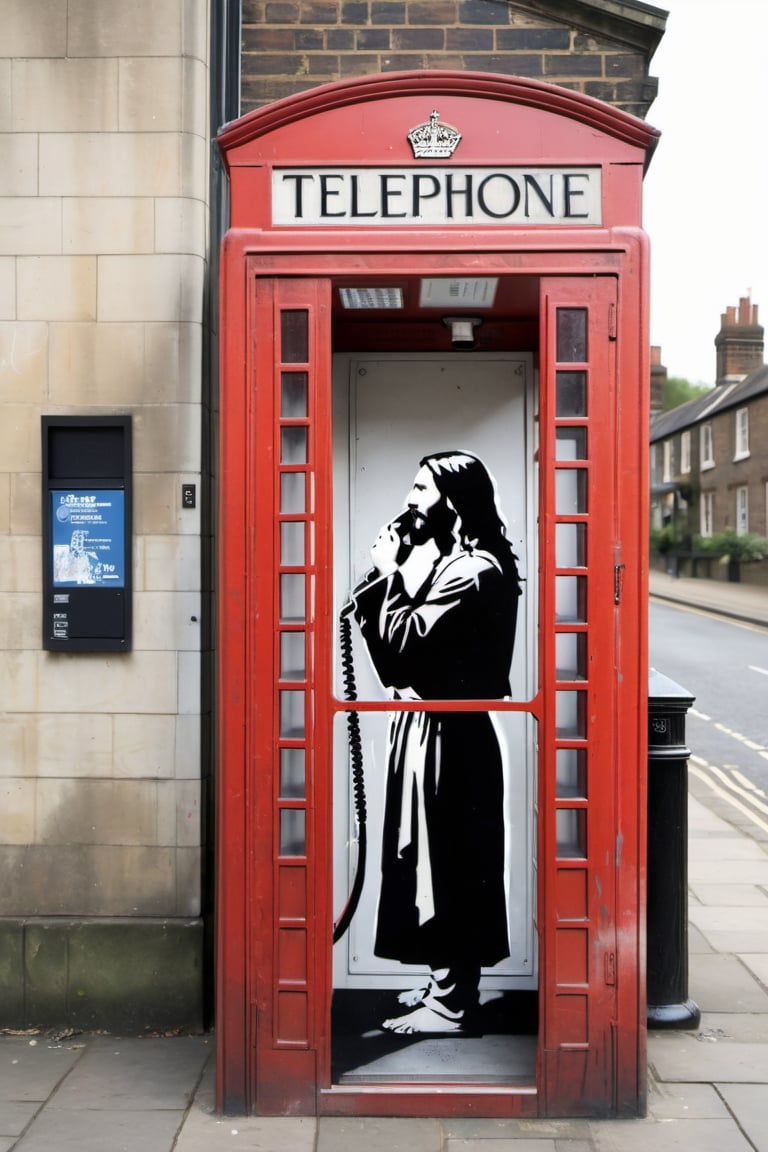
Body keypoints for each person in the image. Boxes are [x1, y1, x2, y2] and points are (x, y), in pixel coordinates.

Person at [350, 451, 521, 1035]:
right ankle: (444, 982)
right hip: (430, 728)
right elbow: (397, 662)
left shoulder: (474, 570)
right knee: (425, 860)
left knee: (447, 862)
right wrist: (392, 575)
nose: (409, 500)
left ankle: (452, 1001)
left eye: (420, 488)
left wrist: (390, 571)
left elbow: (403, 653)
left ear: (451, 499)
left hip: (450, 734)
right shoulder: (453, 563)